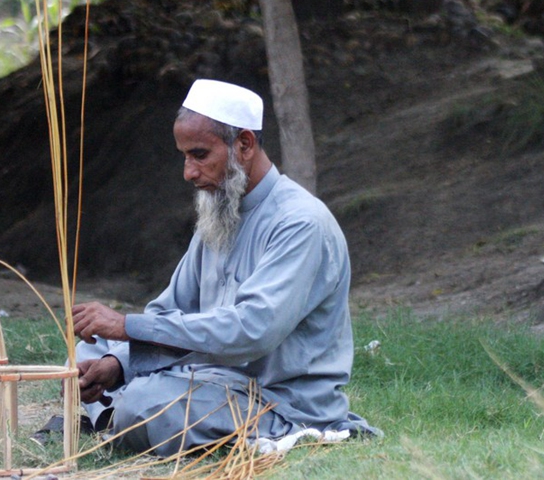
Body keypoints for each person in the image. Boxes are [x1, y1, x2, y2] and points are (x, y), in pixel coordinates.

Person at [68, 79, 379, 457]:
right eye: (184, 156)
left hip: (278, 402)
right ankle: (117, 407)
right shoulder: (220, 213)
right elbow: (169, 313)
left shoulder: (300, 222)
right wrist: (115, 363)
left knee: (145, 399)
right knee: (91, 348)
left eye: (199, 154)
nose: (189, 172)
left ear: (244, 145)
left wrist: (127, 327)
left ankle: (115, 414)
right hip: (211, 382)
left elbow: (252, 330)